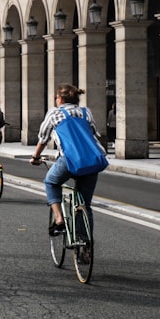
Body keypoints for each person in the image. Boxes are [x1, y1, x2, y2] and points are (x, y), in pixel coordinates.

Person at [30, 84, 106, 244]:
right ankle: (85, 247)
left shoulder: (55, 113)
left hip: (69, 159)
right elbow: (92, 134)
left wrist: (35, 156)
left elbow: (43, 138)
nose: (55, 100)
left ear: (61, 99)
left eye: (56, 97)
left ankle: (59, 220)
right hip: (90, 161)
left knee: (50, 182)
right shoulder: (86, 112)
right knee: (85, 205)